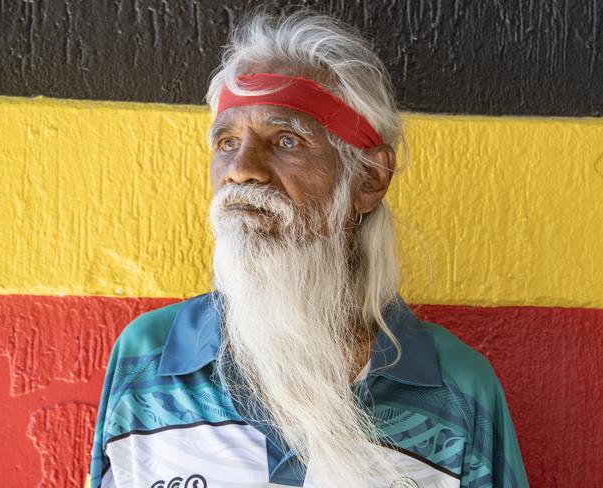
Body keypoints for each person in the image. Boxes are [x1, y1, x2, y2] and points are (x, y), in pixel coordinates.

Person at [89, 10, 528, 488]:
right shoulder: (146, 359)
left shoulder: (457, 389)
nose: (241, 170)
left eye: (284, 140)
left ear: (369, 179)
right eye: (227, 142)